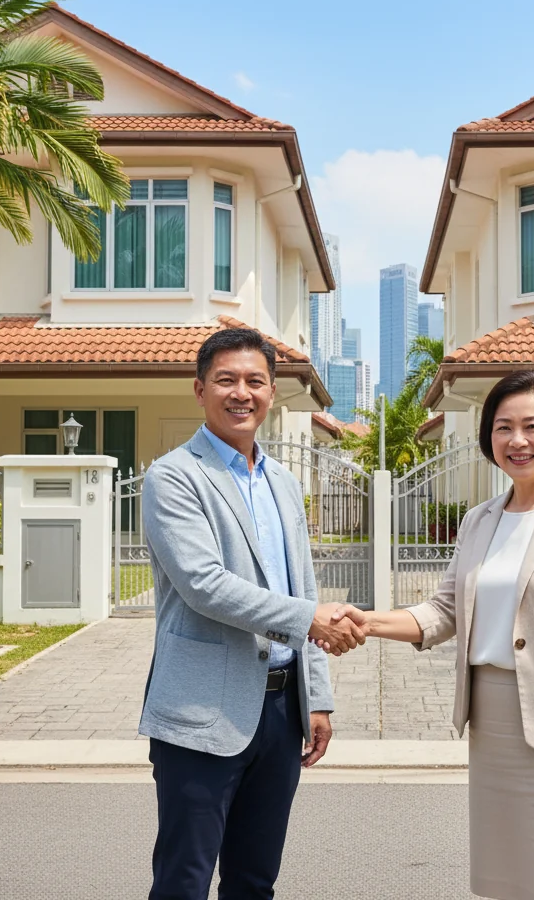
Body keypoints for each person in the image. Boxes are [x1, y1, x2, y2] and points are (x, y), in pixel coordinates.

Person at [322, 371, 534, 900]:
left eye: (532, 426)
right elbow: (444, 612)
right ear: (489, 438)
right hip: (492, 722)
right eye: (502, 427)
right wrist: (368, 621)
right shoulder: (479, 521)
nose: (516, 440)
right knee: (502, 878)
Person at [140, 327, 365, 900]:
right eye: (227, 380)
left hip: (282, 712)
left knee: (254, 880)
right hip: (201, 710)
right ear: (199, 389)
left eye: (255, 381)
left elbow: (301, 582)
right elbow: (204, 585)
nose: (241, 393)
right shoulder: (174, 477)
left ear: (271, 392)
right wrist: (309, 617)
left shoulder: (284, 482)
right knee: (182, 882)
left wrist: (317, 699)